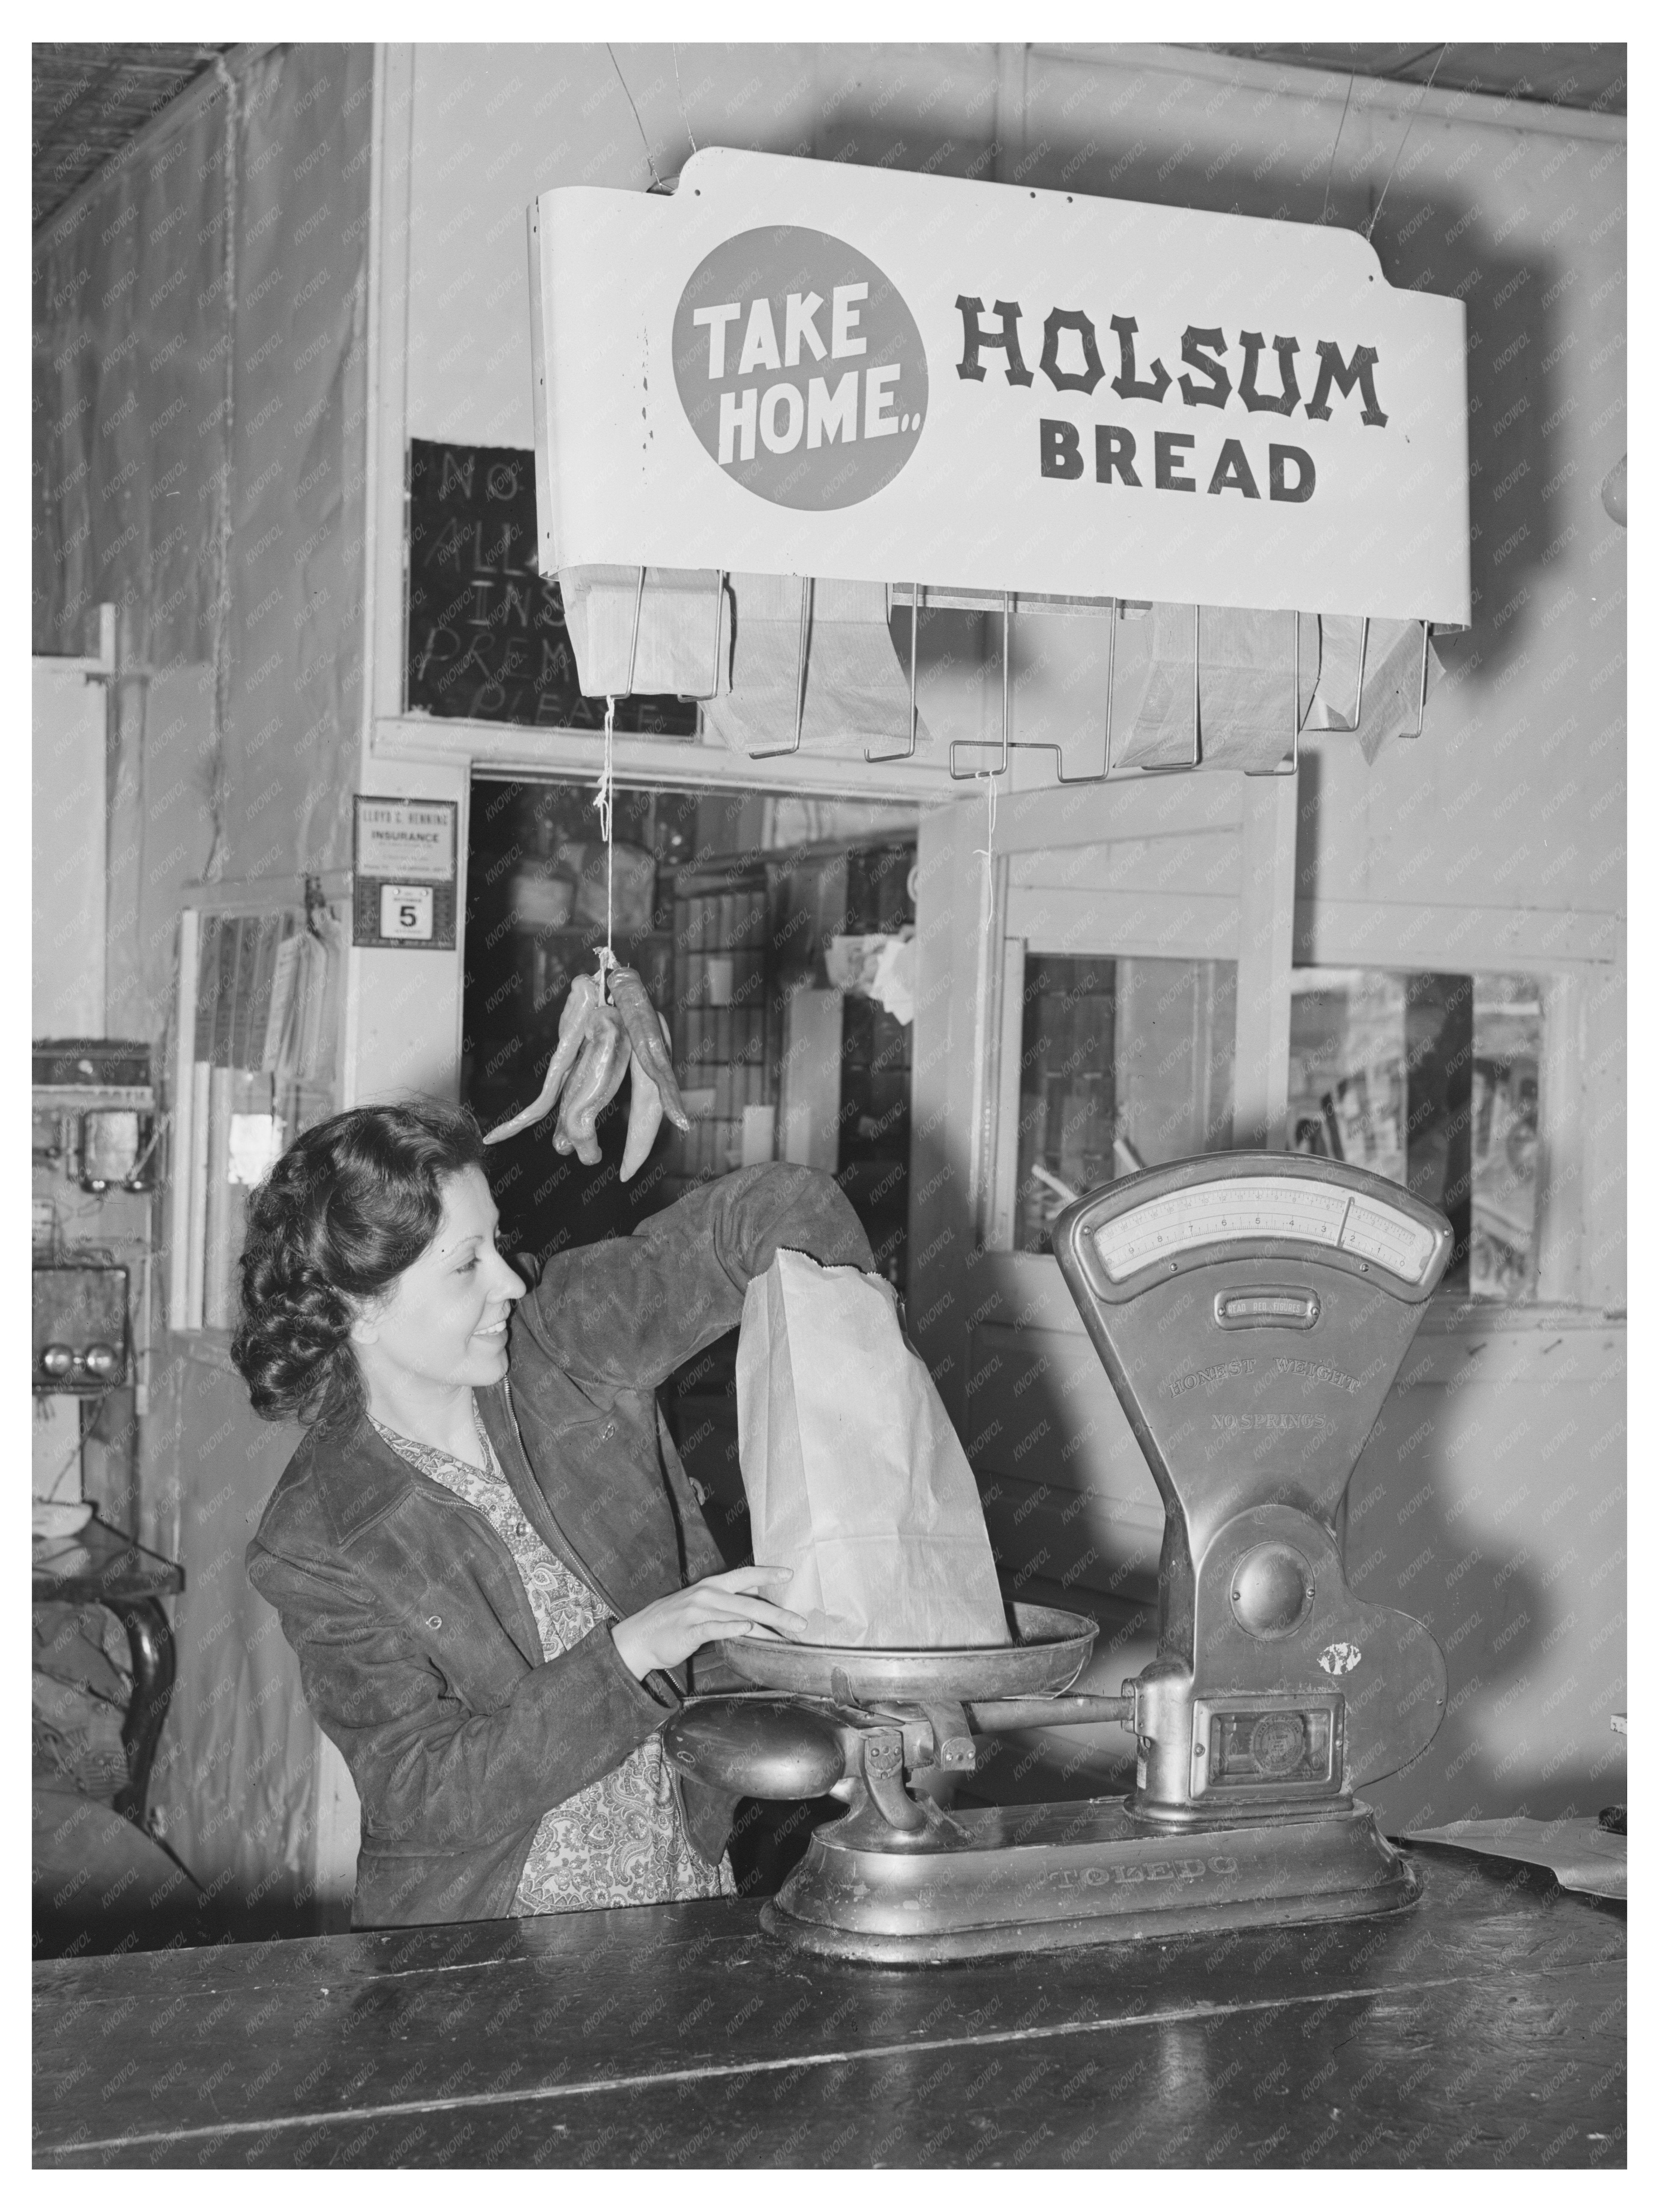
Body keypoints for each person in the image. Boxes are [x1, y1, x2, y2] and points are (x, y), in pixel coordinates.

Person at [236, 1102, 873, 1928]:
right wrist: (630, 1652)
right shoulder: (319, 1534)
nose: (509, 1281)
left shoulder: (561, 1334)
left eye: (495, 1244)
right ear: (363, 1307)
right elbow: (422, 1795)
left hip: (679, 1885)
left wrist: (856, 1385)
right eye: (465, 1265)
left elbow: (768, 1215)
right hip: (486, 1948)